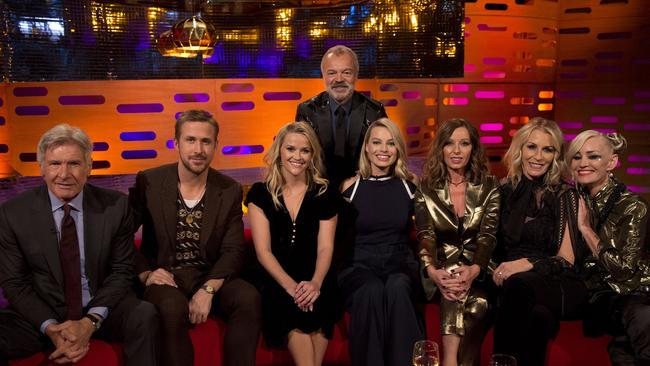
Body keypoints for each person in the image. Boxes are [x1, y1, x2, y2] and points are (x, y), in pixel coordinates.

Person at [0, 124, 159, 365]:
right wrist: (51, 327)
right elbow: (14, 283)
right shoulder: (13, 213)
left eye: (74, 163)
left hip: (99, 308)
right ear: (42, 168)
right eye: (55, 164)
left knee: (143, 314)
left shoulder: (116, 206)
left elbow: (121, 272)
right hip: (42, 312)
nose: (64, 174)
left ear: (89, 167)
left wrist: (90, 322)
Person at [129, 110, 261, 366]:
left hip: (209, 273)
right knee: (170, 307)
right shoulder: (150, 181)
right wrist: (146, 274)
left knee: (248, 297)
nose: (198, 149)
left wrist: (208, 289)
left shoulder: (229, 189)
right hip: (166, 275)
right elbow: (122, 237)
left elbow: (233, 250)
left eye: (206, 141)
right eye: (190, 140)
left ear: (215, 145)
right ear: (176, 143)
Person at [491, 117, 589, 366]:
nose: (539, 156)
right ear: (520, 149)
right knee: (539, 317)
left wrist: (526, 264)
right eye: (532, 147)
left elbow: (566, 260)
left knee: (519, 286)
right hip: (513, 281)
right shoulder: (503, 190)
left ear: (556, 155)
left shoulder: (565, 195)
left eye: (548, 149)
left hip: (555, 280)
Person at [245, 122, 339, 366]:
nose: (297, 156)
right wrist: (291, 287)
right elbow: (263, 251)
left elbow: (325, 247)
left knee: (321, 310)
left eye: (305, 151)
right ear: (279, 151)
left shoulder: (324, 194)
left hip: (316, 277)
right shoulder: (260, 194)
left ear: (312, 155)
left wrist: (316, 283)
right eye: (290, 149)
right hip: (277, 278)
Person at [338, 118, 423, 366]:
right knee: (371, 290)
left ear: (398, 149)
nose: (383, 150)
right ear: (366, 147)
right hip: (358, 264)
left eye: (390, 143)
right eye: (376, 142)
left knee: (397, 287)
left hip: (400, 262)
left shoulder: (410, 185)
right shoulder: (349, 187)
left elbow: (426, 231)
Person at [414, 118, 500, 366]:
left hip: (479, 267)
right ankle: (452, 361)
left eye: (464, 143)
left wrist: (475, 269)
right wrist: (432, 270)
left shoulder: (489, 187)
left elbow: (488, 235)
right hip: (442, 267)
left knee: (479, 305)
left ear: (473, 148)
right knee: (453, 283)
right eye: (450, 143)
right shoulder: (426, 188)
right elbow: (425, 235)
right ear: (441, 148)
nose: (456, 150)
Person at [567, 130, 649, 365]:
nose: (583, 163)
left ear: (611, 162)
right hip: (593, 293)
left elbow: (624, 269)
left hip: (632, 293)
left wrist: (586, 229)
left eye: (593, 157)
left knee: (641, 321)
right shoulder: (571, 198)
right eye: (577, 156)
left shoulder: (633, 206)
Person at [296, 45, 387, 189]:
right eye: (332, 73)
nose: (339, 79)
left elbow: (384, 156)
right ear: (323, 76)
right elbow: (300, 157)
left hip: (362, 187)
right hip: (318, 189)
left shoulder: (374, 111)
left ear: (356, 75)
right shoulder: (308, 110)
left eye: (346, 72)